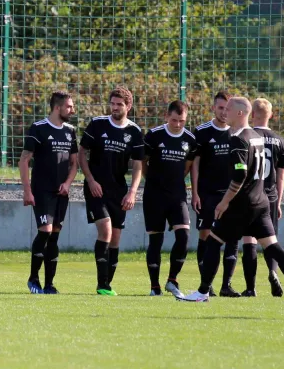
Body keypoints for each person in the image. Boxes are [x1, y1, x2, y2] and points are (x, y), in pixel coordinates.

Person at [180, 97, 284, 304]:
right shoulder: (256, 135)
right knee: (273, 246)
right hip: (261, 203)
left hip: (243, 205)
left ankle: (202, 292)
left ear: (240, 113)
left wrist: (224, 202)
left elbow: (240, 176)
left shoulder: (238, 139)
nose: (225, 113)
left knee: (213, 242)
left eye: (229, 109)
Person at [78, 86, 144, 296]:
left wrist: (132, 191)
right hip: (96, 189)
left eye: (119, 105)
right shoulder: (98, 124)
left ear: (128, 106)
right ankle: (102, 284)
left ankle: (108, 283)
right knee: (105, 230)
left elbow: (138, 164)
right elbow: (81, 153)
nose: (114, 108)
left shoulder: (134, 131)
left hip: (119, 191)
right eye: (112, 104)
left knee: (115, 237)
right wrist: (90, 180)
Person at [19, 91, 78, 294]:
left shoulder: (71, 131)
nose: (72, 110)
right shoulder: (39, 128)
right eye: (69, 106)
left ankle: (49, 284)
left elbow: (74, 163)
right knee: (45, 231)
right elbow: (24, 160)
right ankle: (33, 278)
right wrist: (27, 190)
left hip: (61, 193)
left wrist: (68, 183)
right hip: (42, 190)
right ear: (57, 108)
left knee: (54, 236)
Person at [142, 100, 197, 297]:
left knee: (183, 236)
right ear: (167, 116)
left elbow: (188, 166)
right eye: (174, 120)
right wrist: (153, 180)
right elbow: (142, 162)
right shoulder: (154, 135)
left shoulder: (190, 139)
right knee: (155, 241)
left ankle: (172, 280)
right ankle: (154, 286)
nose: (177, 124)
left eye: (182, 121)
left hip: (177, 196)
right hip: (154, 196)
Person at [191, 90, 241, 297]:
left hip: (231, 195)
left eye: (227, 108)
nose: (223, 112)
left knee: (232, 238)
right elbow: (195, 164)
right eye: (220, 108)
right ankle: (206, 284)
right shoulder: (201, 132)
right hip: (207, 194)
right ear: (213, 107)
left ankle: (226, 286)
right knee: (206, 236)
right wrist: (195, 193)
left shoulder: (238, 133)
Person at [241, 98, 284, 297]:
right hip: (271, 196)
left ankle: (251, 288)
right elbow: (280, 175)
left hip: (252, 195)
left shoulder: (249, 136)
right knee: (271, 240)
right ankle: (273, 273)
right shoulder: (279, 141)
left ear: (252, 115)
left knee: (249, 240)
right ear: (271, 115)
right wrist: (279, 202)